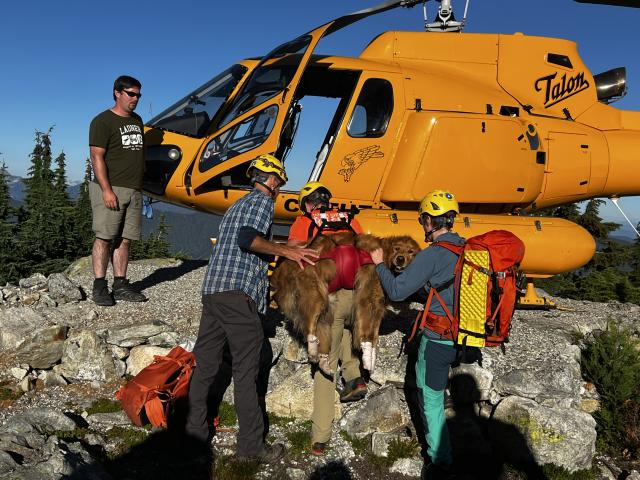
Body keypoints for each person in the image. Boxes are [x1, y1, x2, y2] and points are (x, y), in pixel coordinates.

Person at [185, 154, 317, 463]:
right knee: (247, 371)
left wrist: (285, 243)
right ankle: (250, 447)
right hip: (238, 297)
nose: (279, 188)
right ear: (270, 180)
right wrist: (284, 250)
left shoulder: (238, 205)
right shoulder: (262, 202)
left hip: (213, 293)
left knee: (205, 367)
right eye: (279, 183)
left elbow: (242, 235)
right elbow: (248, 239)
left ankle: (194, 436)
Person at [370, 190, 462, 478]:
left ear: (433, 220)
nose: (423, 225)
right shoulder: (465, 248)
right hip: (460, 334)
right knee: (437, 392)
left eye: (424, 219)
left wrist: (377, 263)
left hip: (438, 337)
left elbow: (398, 291)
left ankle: (440, 461)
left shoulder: (435, 253)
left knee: (431, 399)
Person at [287, 181, 368, 456]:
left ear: (307, 203)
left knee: (324, 366)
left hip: (328, 297)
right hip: (354, 295)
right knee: (343, 330)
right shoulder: (349, 220)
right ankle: (355, 376)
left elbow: (293, 254)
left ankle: (320, 437)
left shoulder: (304, 222)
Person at [89, 75, 147, 306]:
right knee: (104, 237)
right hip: (112, 188)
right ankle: (100, 286)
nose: (135, 99)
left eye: (138, 95)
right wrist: (106, 190)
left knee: (125, 239)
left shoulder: (138, 120)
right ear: (117, 92)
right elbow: (96, 156)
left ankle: (121, 284)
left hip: (134, 190)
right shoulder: (102, 121)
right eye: (131, 94)